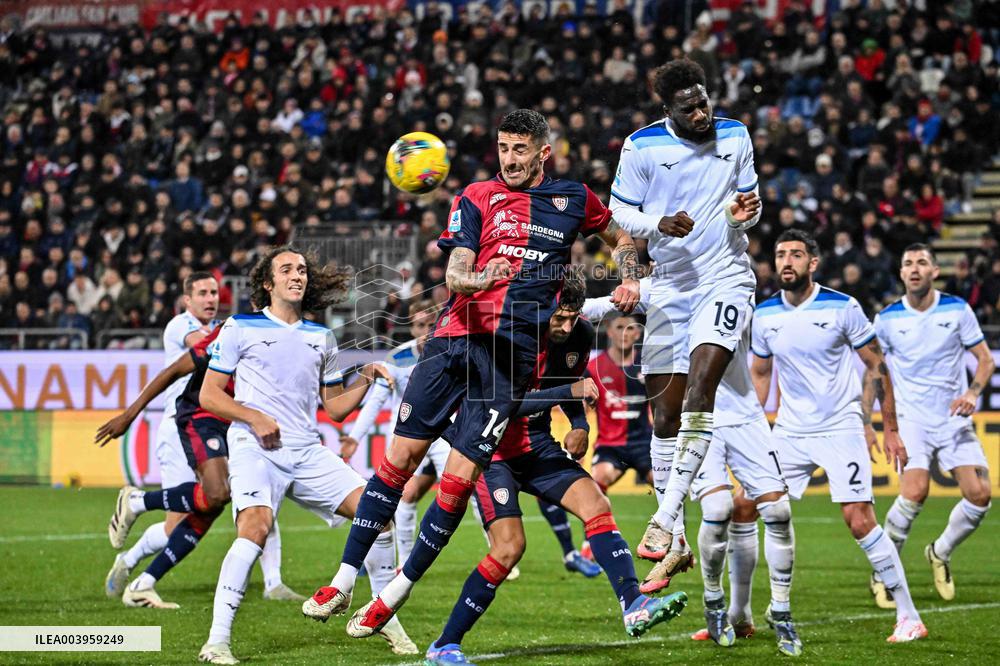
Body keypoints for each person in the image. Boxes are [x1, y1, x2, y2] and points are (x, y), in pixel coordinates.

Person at [301, 109, 641, 638]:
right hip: (454, 341)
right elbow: (457, 274)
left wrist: (631, 280)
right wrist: (484, 275)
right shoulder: (477, 196)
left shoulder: (574, 199)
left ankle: (395, 594)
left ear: (542, 152)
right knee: (400, 462)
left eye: (520, 149)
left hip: (508, 360)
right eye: (504, 147)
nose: (509, 158)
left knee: (455, 486)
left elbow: (621, 241)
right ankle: (344, 579)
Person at [423, 271, 687, 665]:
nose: (566, 327)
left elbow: (570, 381)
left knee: (597, 505)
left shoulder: (578, 333)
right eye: (559, 318)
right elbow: (506, 403)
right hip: (489, 450)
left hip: (537, 447)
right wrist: (569, 393)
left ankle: (633, 603)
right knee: (510, 549)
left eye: (573, 317)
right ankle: (444, 644)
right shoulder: (509, 332)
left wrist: (579, 425)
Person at [196, 247, 416, 664]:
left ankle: (384, 615)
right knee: (256, 528)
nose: (296, 275)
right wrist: (253, 417)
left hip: (306, 448)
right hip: (254, 446)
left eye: (301, 270)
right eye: (286, 269)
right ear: (268, 283)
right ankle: (217, 641)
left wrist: (366, 377)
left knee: (378, 513)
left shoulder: (321, 336)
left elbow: (334, 408)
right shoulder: (239, 327)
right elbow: (209, 395)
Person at [584, 279, 799, 655]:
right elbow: (605, 305)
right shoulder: (664, 285)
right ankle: (714, 601)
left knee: (778, 510)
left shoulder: (734, 284)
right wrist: (561, 304)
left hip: (744, 416)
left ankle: (780, 609)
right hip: (699, 420)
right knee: (717, 509)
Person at [606, 60, 763, 571]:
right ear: (667, 109)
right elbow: (618, 212)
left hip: (726, 277)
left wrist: (747, 214)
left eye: (704, 101)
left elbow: (749, 202)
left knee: (700, 389)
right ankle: (677, 546)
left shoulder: (736, 134)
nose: (701, 113)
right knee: (665, 416)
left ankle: (666, 520)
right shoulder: (641, 146)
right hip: (671, 286)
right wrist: (658, 223)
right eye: (688, 107)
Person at [748, 230, 926, 643]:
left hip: (840, 425)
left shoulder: (843, 307)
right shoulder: (764, 315)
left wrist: (891, 429)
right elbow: (760, 375)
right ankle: (740, 614)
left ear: (813, 263)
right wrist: (751, 430)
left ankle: (908, 616)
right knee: (744, 508)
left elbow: (878, 368)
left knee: (859, 519)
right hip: (789, 430)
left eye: (796, 254)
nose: (786, 261)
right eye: (780, 254)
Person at [99, 323, 301, 608]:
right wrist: (130, 414)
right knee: (217, 493)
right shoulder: (234, 330)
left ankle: (143, 583)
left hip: (235, 424)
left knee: (212, 504)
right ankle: (138, 501)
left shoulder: (288, 340)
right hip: (201, 415)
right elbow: (173, 371)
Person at [868, 244, 993, 605]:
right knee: (915, 490)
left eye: (922, 262)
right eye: (908, 263)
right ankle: (883, 571)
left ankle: (939, 551)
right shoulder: (888, 318)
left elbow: (984, 360)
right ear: (902, 273)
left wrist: (972, 392)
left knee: (980, 495)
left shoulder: (957, 309)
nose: (915, 269)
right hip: (911, 418)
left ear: (935, 271)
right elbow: (875, 372)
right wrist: (871, 421)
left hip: (952, 418)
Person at [105, 272, 221, 605]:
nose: (210, 299)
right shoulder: (181, 326)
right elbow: (199, 347)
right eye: (202, 293)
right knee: (181, 521)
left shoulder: (220, 329)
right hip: (180, 427)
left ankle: (132, 565)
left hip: (209, 426)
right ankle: (135, 527)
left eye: (214, 292)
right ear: (187, 300)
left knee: (215, 501)